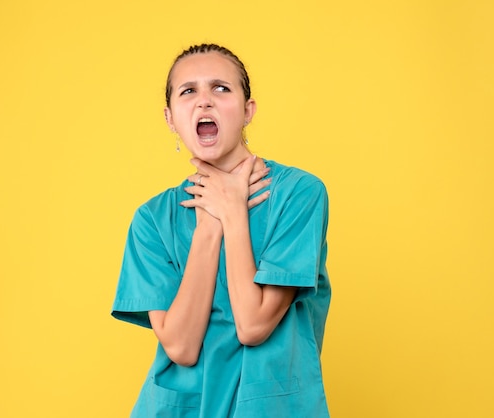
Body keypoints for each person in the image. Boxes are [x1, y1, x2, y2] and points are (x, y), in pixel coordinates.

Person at [111, 43, 331, 417]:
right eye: (188, 91)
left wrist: (232, 212)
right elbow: (180, 347)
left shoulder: (299, 194)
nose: (204, 102)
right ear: (170, 118)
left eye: (221, 88)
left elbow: (253, 325)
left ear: (248, 111)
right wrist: (210, 226)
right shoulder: (152, 219)